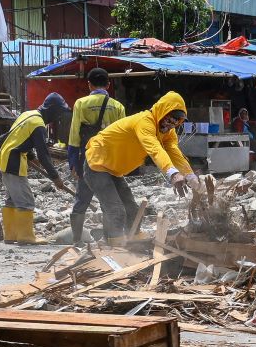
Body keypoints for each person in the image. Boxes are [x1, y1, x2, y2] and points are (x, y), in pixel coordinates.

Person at [83, 91, 199, 242]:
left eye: (178, 120)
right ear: (162, 111)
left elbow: (174, 152)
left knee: (132, 209)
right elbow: (155, 149)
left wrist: (190, 175)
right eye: (171, 118)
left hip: (114, 169)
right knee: (115, 209)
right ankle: (114, 243)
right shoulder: (145, 122)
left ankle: (133, 239)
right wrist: (173, 174)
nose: (173, 124)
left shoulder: (168, 132)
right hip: (97, 162)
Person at [0, 92, 69, 244]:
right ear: (52, 110)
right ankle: (26, 236)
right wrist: (56, 178)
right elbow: (44, 155)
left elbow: (19, 138)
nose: (58, 117)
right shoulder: (38, 125)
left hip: (6, 158)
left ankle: (11, 235)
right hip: (13, 161)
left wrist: (32, 158)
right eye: (58, 113)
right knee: (26, 200)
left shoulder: (27, 115)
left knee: (12, 200)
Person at [66, 67, 126, 244]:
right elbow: (123, 138)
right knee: (109, 200)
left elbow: (74, 136)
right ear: (108, 84)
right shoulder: (118, 106)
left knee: (81, 200)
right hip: (110, 161)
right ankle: (111, 239)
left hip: (88, 160)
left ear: (89, 84)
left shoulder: (81, 104)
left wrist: (73, 163)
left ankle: (77, 240)